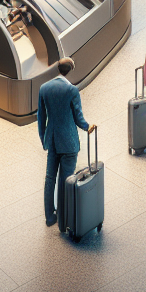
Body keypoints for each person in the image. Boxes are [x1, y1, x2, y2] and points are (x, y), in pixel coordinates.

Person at [37, 57, 90, 228]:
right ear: (70, 70)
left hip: (52, 140)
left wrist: (44, 139)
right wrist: (88, 127)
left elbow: (41, 118)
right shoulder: (71, 90)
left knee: (50, 177)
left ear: (58, 69)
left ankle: (49, 216)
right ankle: (62, 215)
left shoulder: (44, 88)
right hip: (68, 142)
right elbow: (78, 117)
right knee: (65, 178)